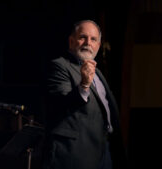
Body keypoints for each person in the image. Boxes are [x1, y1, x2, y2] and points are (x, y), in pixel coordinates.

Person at [44, 20, 126, 169]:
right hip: (75, 153)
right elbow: (60, 105)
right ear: (71, 41)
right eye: (83, 37)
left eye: (93, 39)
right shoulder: (60, 66)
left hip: (104, 151)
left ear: (98, 46)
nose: (88, 43)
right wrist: (84, 85)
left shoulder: (99, 73)